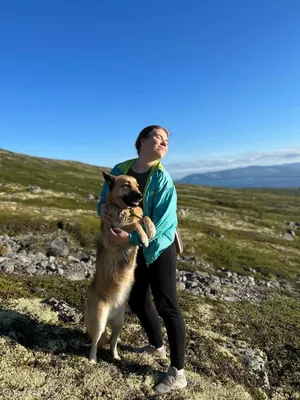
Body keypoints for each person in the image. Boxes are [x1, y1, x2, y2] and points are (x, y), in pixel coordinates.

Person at [96, 125, 187, 394]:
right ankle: (157, 346)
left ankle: (178, 372)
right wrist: (101, 207)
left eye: (167, 140)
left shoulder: (162, 179)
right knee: (136, 299)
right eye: (158, 137)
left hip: (159, 246)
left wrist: (130, 239)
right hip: (131, 250)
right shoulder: (121, 168)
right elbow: (106, 199)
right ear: (142, 141)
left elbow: (164, 224)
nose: (164, 142)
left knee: (166, 303)